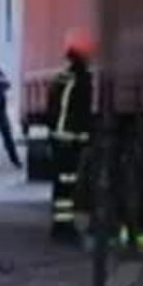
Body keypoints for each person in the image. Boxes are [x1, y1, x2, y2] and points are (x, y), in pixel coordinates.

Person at [46, 30, 95, 241]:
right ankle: (63, 228)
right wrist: (84, 136)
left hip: (60, 139)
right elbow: (77, 112)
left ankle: (60, 225)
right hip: (69, 141)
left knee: (62, 185)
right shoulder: (80, 79)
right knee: (67, 185)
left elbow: (56, 109)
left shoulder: (62, 77)